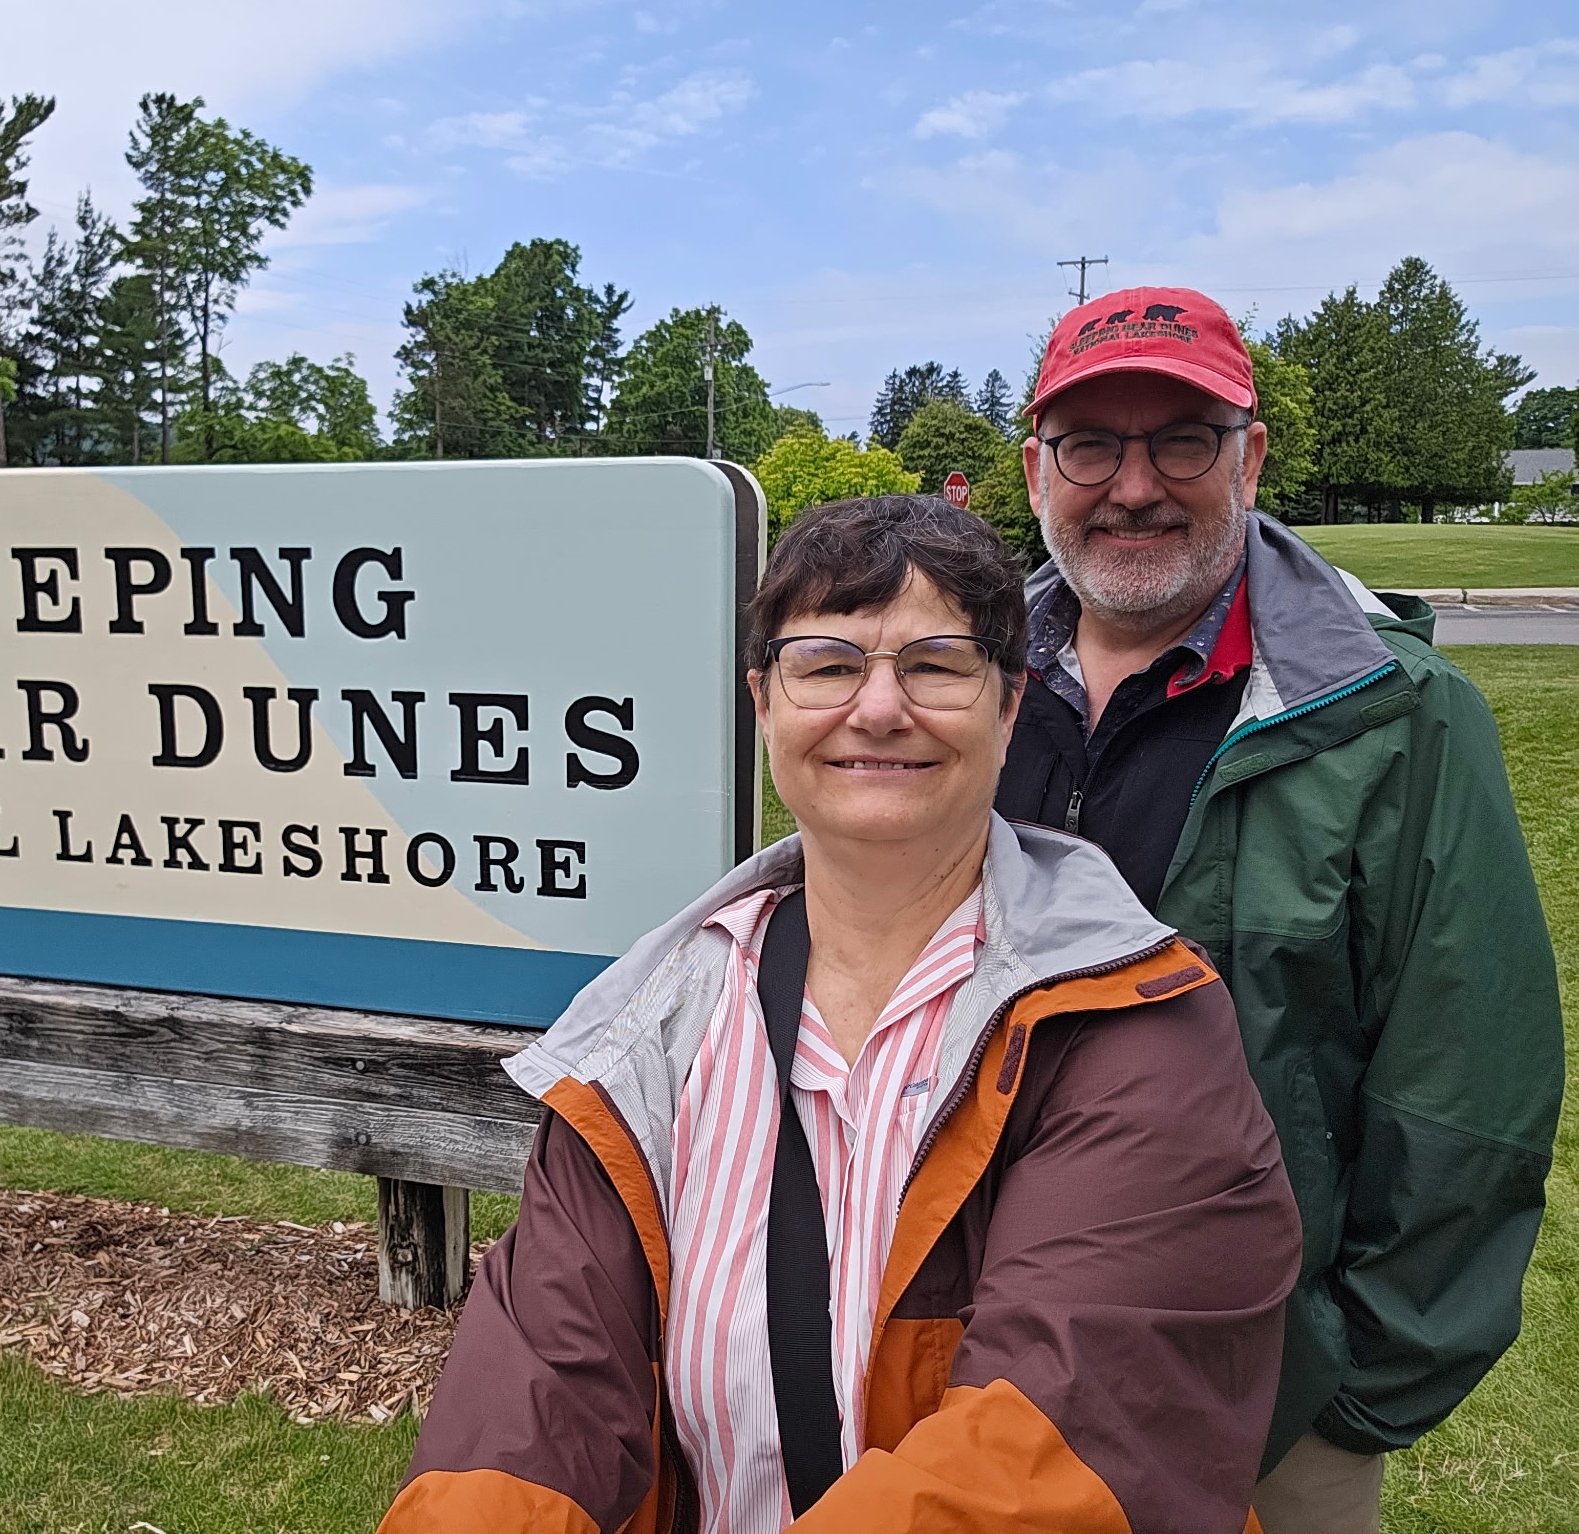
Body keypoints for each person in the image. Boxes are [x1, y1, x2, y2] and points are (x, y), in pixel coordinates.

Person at [380, 496, 1302, 1532]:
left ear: (1008, 709)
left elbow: (1056, 1460)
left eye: (936, 664)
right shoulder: (644, 1036)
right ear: (761, 703)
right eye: (826, 665)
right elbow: (529, 1406)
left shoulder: (1133, 1033)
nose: (876, 709)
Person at [995, 286, 1564, 1532]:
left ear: (1248, 457)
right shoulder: (966, 685)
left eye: (1179, 440)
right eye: (1090, 444)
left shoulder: (1396, 718)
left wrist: (1348, 1390)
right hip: (964, 1361)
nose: (1131, 485)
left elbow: (1466, 1087)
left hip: (1257, 1403)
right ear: (1038, 469)